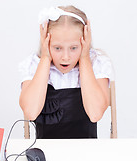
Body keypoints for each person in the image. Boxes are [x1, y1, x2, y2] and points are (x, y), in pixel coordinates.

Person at [19, 6, 114, 139]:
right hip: (46, 151)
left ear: (85, 42)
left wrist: (84, 57)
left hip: (86, 151)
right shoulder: (35, 66)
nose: (65, 57)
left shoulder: (96, 64)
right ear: (46, 42)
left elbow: (95, 114)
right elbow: (31, 112)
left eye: (74, 48)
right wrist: (46, 58)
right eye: (57, 48)